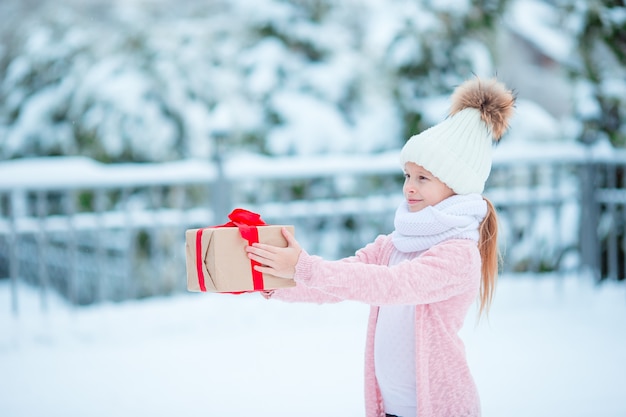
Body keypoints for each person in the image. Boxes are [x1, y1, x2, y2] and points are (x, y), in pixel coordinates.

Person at [245, 76, 516, 417]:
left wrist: (304, 266)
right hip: (390, 408)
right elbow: (340, 282)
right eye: (407, 175)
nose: (409, 188)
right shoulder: (396, 243)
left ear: (456, 187)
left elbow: (392, 286)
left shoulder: (458, 254)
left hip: (438, 409)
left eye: (423, 178)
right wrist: (273, 280)